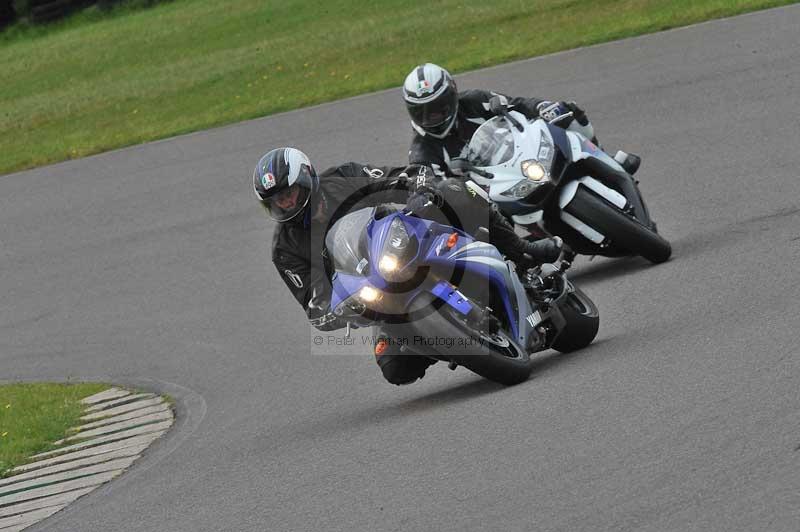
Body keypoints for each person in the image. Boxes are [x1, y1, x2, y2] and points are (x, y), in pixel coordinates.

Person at [253, 147, 562, 385]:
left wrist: (419, 189)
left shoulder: (344, 177)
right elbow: (313, 304)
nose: (285, 204)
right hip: (372, 289)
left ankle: (520, 251)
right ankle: (452, 341)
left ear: (306, 178)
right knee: (395, 368)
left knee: (455, 190)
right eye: (276, 201)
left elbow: (404, 175)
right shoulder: (284, 250)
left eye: (288, 194)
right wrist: (335, 310)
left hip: (404, 238)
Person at [402, 63, 641, 176]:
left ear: (451, 97)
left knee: (569, 111)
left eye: (435, 109)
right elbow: (431, 190)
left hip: (522, 155)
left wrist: (543, 107)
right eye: (420, 111)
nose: (429, 118)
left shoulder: (475, 102)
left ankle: (609, 163)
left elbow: (518, 104)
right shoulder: (421, 153)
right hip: (489, 192)